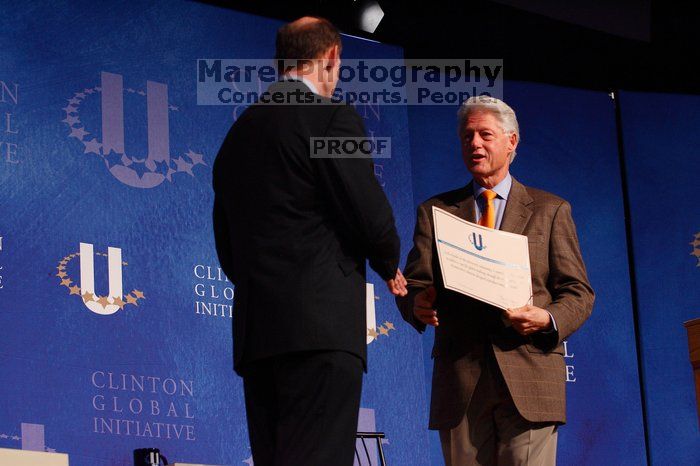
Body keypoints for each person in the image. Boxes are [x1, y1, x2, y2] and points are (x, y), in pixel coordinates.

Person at [212, 16, 407, 466]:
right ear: (332, 57)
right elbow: (366, 210)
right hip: (319, 332)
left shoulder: (237, 137)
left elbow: (228, 246)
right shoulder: (331, 119)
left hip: (259, 336)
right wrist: (389, 262)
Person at [396, 96, 594, 465]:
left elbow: (578, 293)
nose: (475, 144)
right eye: (467, 137)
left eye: (485, 135)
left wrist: (546, 318)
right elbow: (415, 283)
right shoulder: (435, 211)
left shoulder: (551, 210)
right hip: (461, 380)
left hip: (530, 374)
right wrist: (416, 303)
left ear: (511, 141)